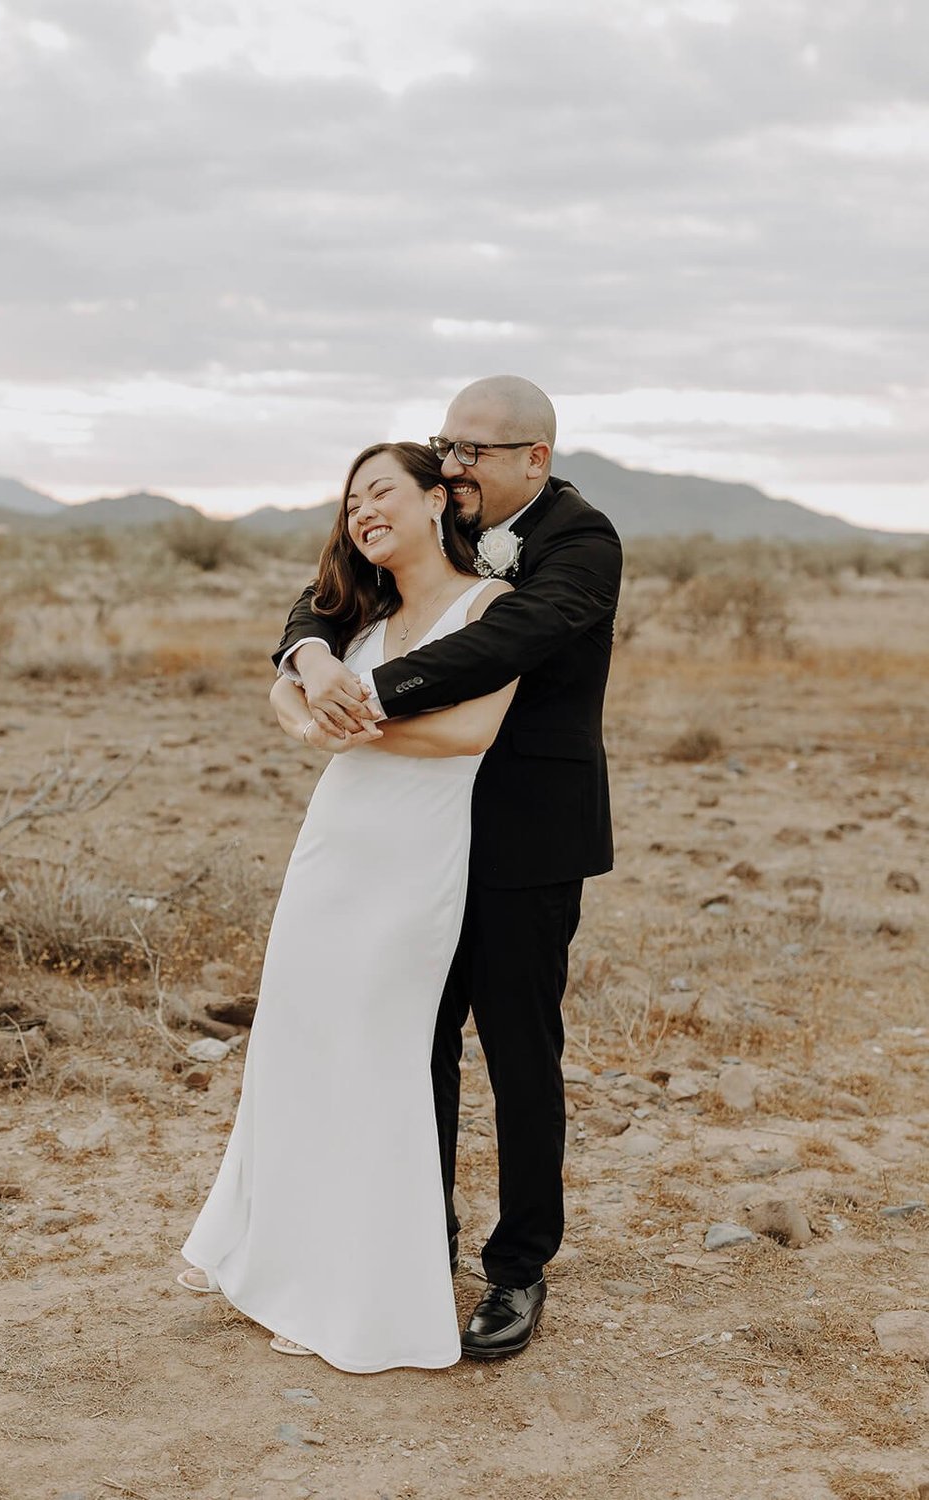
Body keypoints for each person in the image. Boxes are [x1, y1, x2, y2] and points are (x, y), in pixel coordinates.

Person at [276, 376, 622, 1359]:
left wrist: (364, 691)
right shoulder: (441, 531)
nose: (452, 464)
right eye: (445, 445)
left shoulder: (581, 543)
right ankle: (414, 1240)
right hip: (412, 839)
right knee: (411, 1043)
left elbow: (506, 637)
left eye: (473, 451)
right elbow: (323, 595)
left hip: (527, 837)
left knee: (519, 1050)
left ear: (534, 460)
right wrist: (309, 658)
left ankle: (517, 1268)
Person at [178, 442, 517, 1373]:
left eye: (382, 492)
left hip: (413, 864)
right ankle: (278, 1256)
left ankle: (361, 1295)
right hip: (333, 853)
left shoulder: (489, 608)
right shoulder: (354, 608)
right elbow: (283, 697)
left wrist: (353, 722)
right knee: (299, 1043)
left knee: (376, 1055)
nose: (363, 511)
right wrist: (312, 708)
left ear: (436, 501)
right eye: (352, 500)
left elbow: (471, 732)